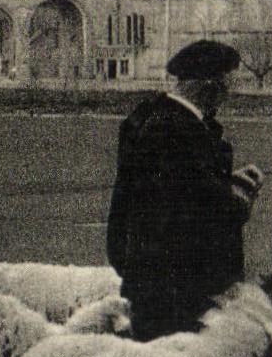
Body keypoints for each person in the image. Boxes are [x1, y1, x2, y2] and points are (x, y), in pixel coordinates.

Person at [106, 39, 264, 341]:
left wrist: (227, 182)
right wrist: (241, 192)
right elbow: (202, 209)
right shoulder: (176, 131)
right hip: (178, 292)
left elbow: (179, 192)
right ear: (209, 87)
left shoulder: (152, 120)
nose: (230, 92)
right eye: (226, 83)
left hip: (156, 284)